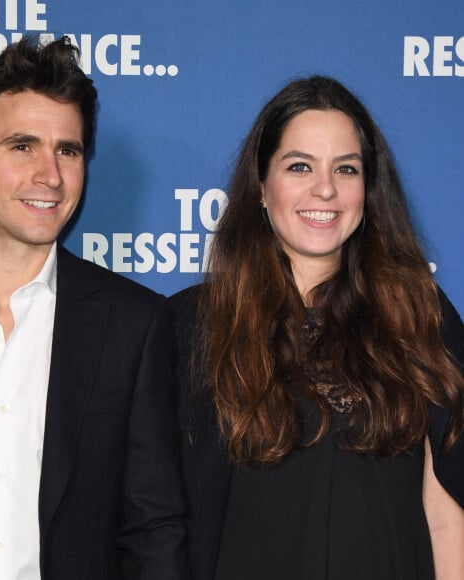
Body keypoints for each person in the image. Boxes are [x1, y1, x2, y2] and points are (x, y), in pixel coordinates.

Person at [0, 36, 188, 579]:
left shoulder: (133, 324)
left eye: (67, 150)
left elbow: (153, 527)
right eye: (23, 146)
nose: (50, 174)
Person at [170, 76, 464, 580]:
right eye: (300, 166)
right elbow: (163, 518)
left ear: (368, 191)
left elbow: (445, 513)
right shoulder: (192, 324)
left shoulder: (421, 315)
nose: (324, 188)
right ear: (261, 188)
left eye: (346, 169)